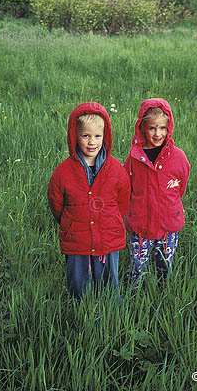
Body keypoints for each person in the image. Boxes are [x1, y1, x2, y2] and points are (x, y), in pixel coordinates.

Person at [47, 102, 130, 300]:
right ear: (75, 136)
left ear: (105, 137)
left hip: (108, 237)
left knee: (109, 284)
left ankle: (110, 313)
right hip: (77, 238)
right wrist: (71, 223)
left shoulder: (116, 169)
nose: (92, 142)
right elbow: (56, 204)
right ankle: (80, 311)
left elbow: (123, 201)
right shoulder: (63, 172)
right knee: (78, 285)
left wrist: (111, 220)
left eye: (97, 136)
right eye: (85, 136)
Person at [124, 98, 190, 287]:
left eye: (162, 128)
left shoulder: (178, 157)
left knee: (164, 264)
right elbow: (126, 187)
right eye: (152, 128)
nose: (157, 133)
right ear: (142, 128)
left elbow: (180, 186)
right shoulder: (134, 158)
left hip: (168, 223)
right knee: (137, 265)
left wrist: (170, 204)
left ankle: (163, 292)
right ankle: (133, 296)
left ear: (169, 127)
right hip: (141, 224)